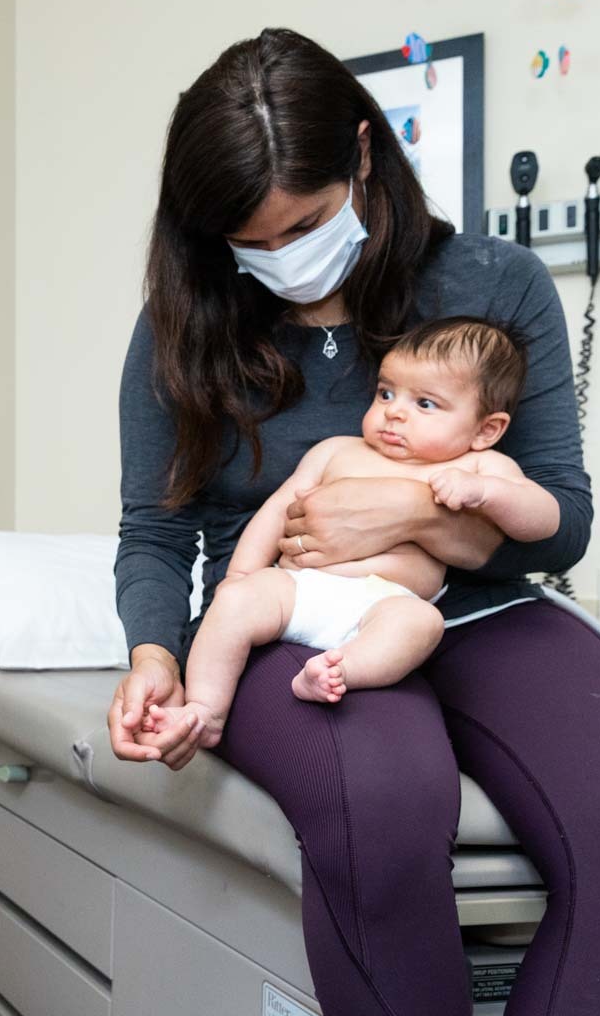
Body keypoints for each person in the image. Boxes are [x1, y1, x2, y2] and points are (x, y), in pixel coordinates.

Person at [106, 28, 600, 1016]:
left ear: (365, 161)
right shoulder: (186, 326)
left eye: (304, 219)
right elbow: (154, 530)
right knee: (383, 799)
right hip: (291, 613)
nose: (281, 258)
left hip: (480, 611)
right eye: (250, 240)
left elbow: (561, 524)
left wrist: (413, 514)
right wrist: (156, 652)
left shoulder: (493, 287)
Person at [148, 316, 557, 739]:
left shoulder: (477, 467)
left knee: (422, 624)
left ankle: (339, 669)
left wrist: (486, 492)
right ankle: (205, 712)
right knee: (232, 603)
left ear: (486, 430)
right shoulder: (338, 451)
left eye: (425, 404)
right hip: (299, 588)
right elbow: (277, 509)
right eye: (385, 393)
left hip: (384, 604)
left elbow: (545, 519)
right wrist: (242, 576)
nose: (394, 412)